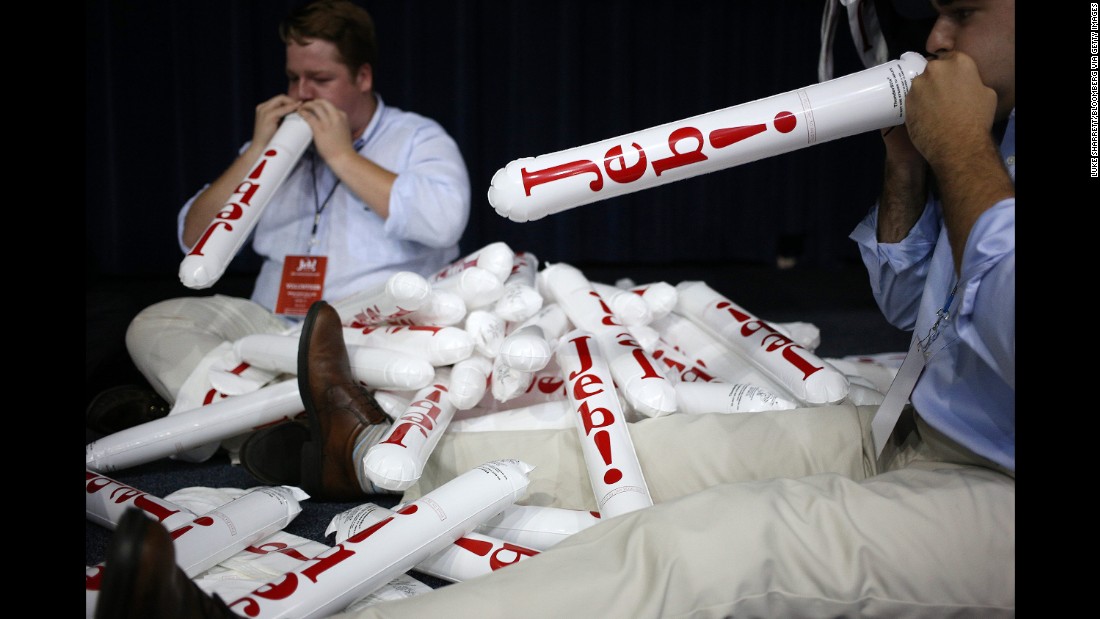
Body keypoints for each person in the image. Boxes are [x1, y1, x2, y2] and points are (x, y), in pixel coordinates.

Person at [95, 0, 1014, 616]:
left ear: (361, 81)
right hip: (914, 423)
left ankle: (245, 451)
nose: (935, 32)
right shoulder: (987, 134)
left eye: (964, 8)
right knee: (602, 451)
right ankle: (344, 447)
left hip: (995, 483)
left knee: (694, 549)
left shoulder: (415, 144)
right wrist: (911, 165)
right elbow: (910, 305)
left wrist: (967, 153)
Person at [86, 0, 471, 444]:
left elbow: (444, 223)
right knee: (154, 325)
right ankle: (296, 425)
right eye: (293, 77)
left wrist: (341, 155)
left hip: (367, 334)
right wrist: (256, 154)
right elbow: (196, 241)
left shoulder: (418, 137)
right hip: (269, 330)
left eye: (321, 80)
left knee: (406, 370)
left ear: (362, 77)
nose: (302, 94)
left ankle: (213, 423)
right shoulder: (274, 147)